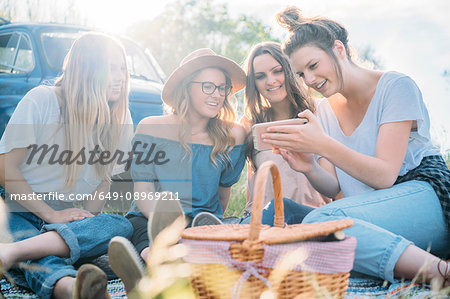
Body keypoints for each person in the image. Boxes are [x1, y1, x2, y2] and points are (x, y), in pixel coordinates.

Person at [260, 6, 450, 287]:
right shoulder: (324, 111)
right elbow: (333, 187)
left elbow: (385, 176)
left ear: (338, 49)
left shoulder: (395, 87)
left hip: (425, 194)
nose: (310, 80)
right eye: (301, 74)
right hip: (374, 209)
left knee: (322, 221)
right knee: (279, 217)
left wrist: (322, 144)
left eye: (313, 66)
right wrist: (309, 166)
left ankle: (440, 273)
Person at [0, 33, 134, 299]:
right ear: (87, 67)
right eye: (110, 67)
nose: (120, 76)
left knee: (121, 226)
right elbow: (5, 168)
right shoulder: (42, 100)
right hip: (20, 211)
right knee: (46, 255)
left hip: (69, 220)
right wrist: (51, 215)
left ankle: (12, 254)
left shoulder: (119, 116)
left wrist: (83, 220)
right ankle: (73, 289)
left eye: (122, 68)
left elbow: (104, 179)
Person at [108, 48, 247, 292]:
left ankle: (161, 270)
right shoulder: (151, 128)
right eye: (207, 86)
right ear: (186, 87)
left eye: (222, 87)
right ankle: (154, 262)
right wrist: (168, 226)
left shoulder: (233, 136)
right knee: (143, 235)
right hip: (152, 218)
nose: (217, 95)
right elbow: (143, 192)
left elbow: (223, 194)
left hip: (202, 221)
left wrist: (204, 224)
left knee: (215, 235)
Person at [241, 42, 331, 220]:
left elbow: (337, 185)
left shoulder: (319, 113)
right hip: (265, 222)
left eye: (277, 71)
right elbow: (255, 185)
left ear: (290, 70)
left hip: (311, 217)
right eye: (260, 76)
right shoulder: (250, 124)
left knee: (280, 207)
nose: (270, 81)